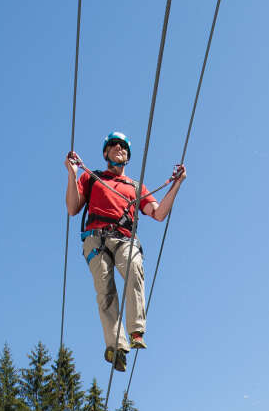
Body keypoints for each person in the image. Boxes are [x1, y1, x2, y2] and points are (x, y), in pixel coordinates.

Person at [65, 131, 187, 371]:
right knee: (105, 290)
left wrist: (177, 184)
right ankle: (116, 346)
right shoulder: (92, 178)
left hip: (124, 238)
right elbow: (72, 208)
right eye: (114, 145)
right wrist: (73, 174)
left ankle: (136, 331)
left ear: (127, 156)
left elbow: (159, 213)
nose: (119, 148)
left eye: (123, 147)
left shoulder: (135, 187)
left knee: (134, 267)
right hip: (95, 239)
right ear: (105, 153)